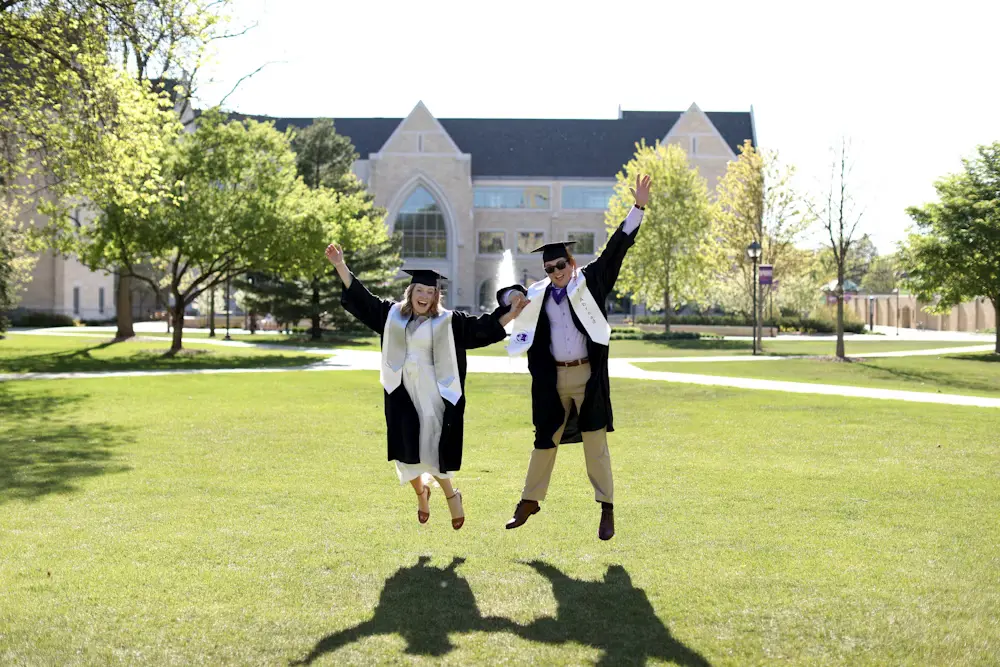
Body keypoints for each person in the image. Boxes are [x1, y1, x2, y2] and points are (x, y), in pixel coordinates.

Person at [326, 243, 527, 529]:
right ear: (411, 292)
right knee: (406, 452)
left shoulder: (448, 321)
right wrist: (340, 265)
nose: (425, 295)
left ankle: (451, 495)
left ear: (436, 296)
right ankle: (422, 494)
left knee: (432, 448)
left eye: (430, 292)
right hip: (401, 392)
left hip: (435, 393)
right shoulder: (392, 315)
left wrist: (510, 315)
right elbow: (362, 299)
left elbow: (481, 329)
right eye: (420, 290)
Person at [500, 174, 652, 540]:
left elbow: (616, 248)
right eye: (549, 269)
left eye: (560, 266)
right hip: (553, 381)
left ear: (571, 263)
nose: (555, 273)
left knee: (596, 444)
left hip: (587, 377)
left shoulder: (591, 282)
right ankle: (529, 501)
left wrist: (638, 208)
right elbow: (508, 295)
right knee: (544, 440)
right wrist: (509, 301)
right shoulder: (536, 294)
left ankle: (607, 507)